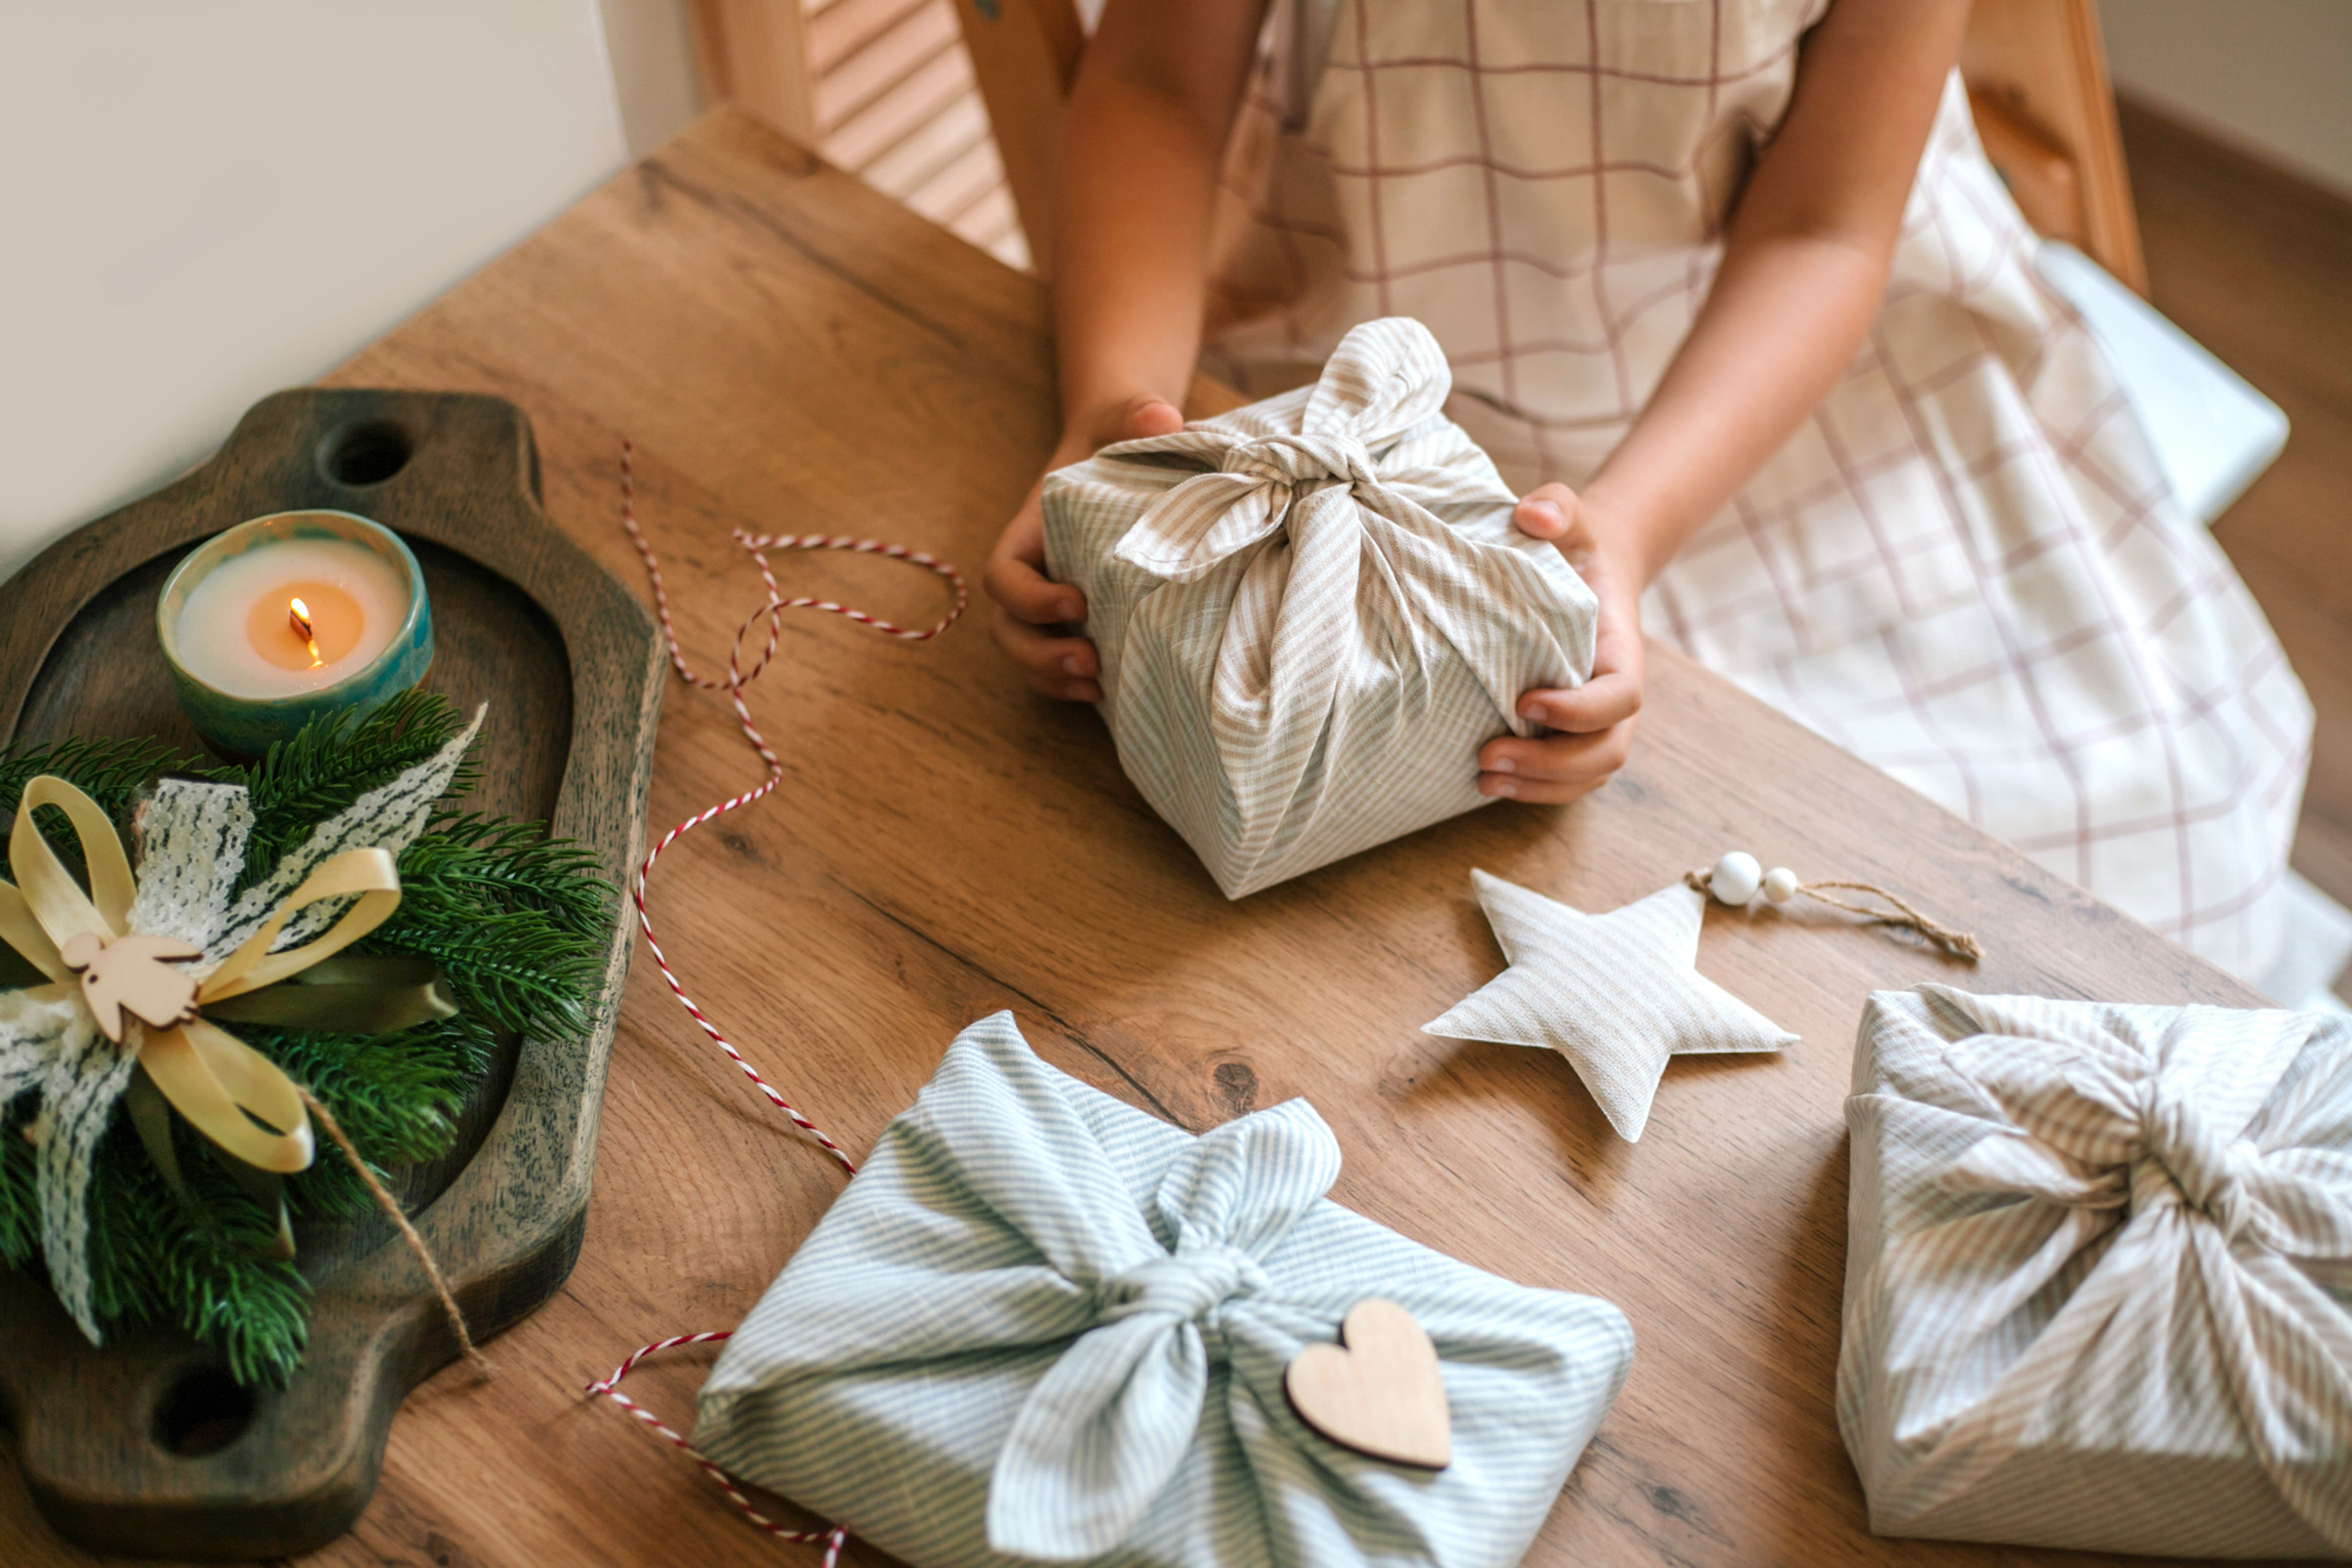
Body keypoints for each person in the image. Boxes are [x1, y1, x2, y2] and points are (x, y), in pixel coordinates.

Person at [982, 0, 2311, 987]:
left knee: (2120, 828)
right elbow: (1154, 85)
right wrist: (1111, 418)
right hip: (1360, 329)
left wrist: (1625, 531)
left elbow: (1825, 229)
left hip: (1777, 392)